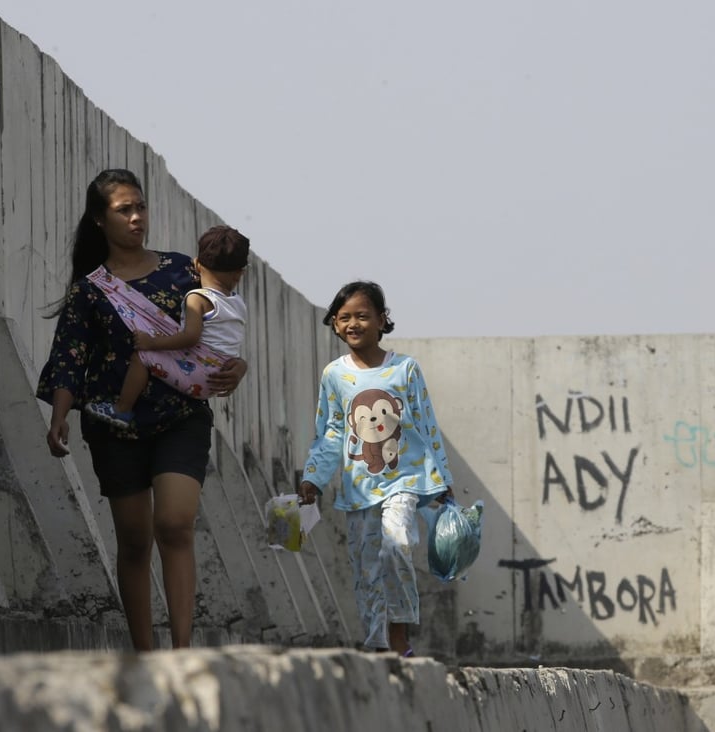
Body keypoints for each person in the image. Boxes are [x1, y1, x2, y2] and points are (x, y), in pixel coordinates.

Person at [37, 168, 247, 651]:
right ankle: (144, 656)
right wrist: (59, 415)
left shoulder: (184, 270)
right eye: (123, 210)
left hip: (181, 418)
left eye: (140, 207)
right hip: (115, 424)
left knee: (174, 523)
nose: (136, 218)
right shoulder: (90, 289)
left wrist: (241, 368)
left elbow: (226, 327)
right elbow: (70, 355)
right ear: (98, 220)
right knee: (134, 541)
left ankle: (181, 653)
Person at [297, 280, 452, 656]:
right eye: (344, 317)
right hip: (359, 490)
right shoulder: (334, 374)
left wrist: (441, 481)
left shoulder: (405, 369)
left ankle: (400, 635)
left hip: (404, 483)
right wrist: (314, 477)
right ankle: (376, 643)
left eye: (363, 316)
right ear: (335, 324)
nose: (353, 324)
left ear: (382, 321)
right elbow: (331, 431)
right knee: (366, 569)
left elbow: (427, 424)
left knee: (397, 546)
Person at [84, 225, 250, 428]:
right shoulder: (237, 302)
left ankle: (122, 410)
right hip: (220, 371)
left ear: (197, 265)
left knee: (142, 357)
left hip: (200, 371)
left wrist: (152, 342)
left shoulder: (197, 298)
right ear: (239, 274)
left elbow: (190, 337)